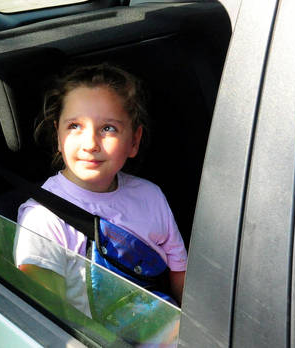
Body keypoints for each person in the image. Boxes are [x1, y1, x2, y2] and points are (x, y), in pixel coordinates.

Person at [14, 63, 187, 314]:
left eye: (108, 128)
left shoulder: (150, 196)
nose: (90, 144)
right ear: (58, 136)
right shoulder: (43, 218)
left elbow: (179, 273)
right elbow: (49, 316)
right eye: (75, 126)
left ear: (134, 141)